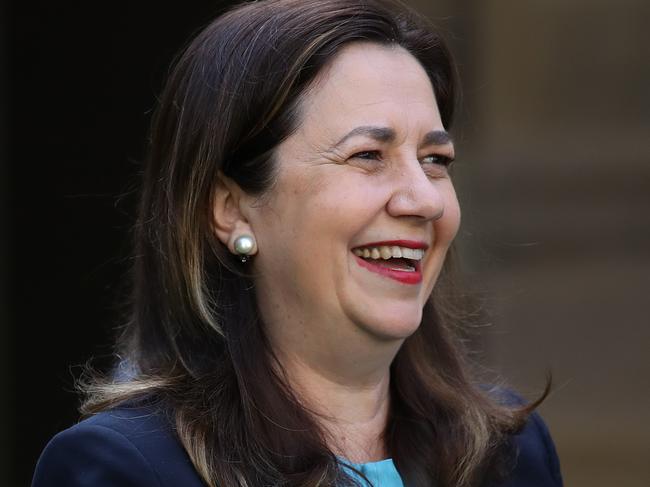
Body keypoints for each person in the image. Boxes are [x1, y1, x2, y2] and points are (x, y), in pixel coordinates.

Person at [32, 1, 563, 486]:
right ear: (231, 208)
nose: (423, 200)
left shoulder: (509, 453)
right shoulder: (128, 469)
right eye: (368, 156)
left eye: (435, 161)